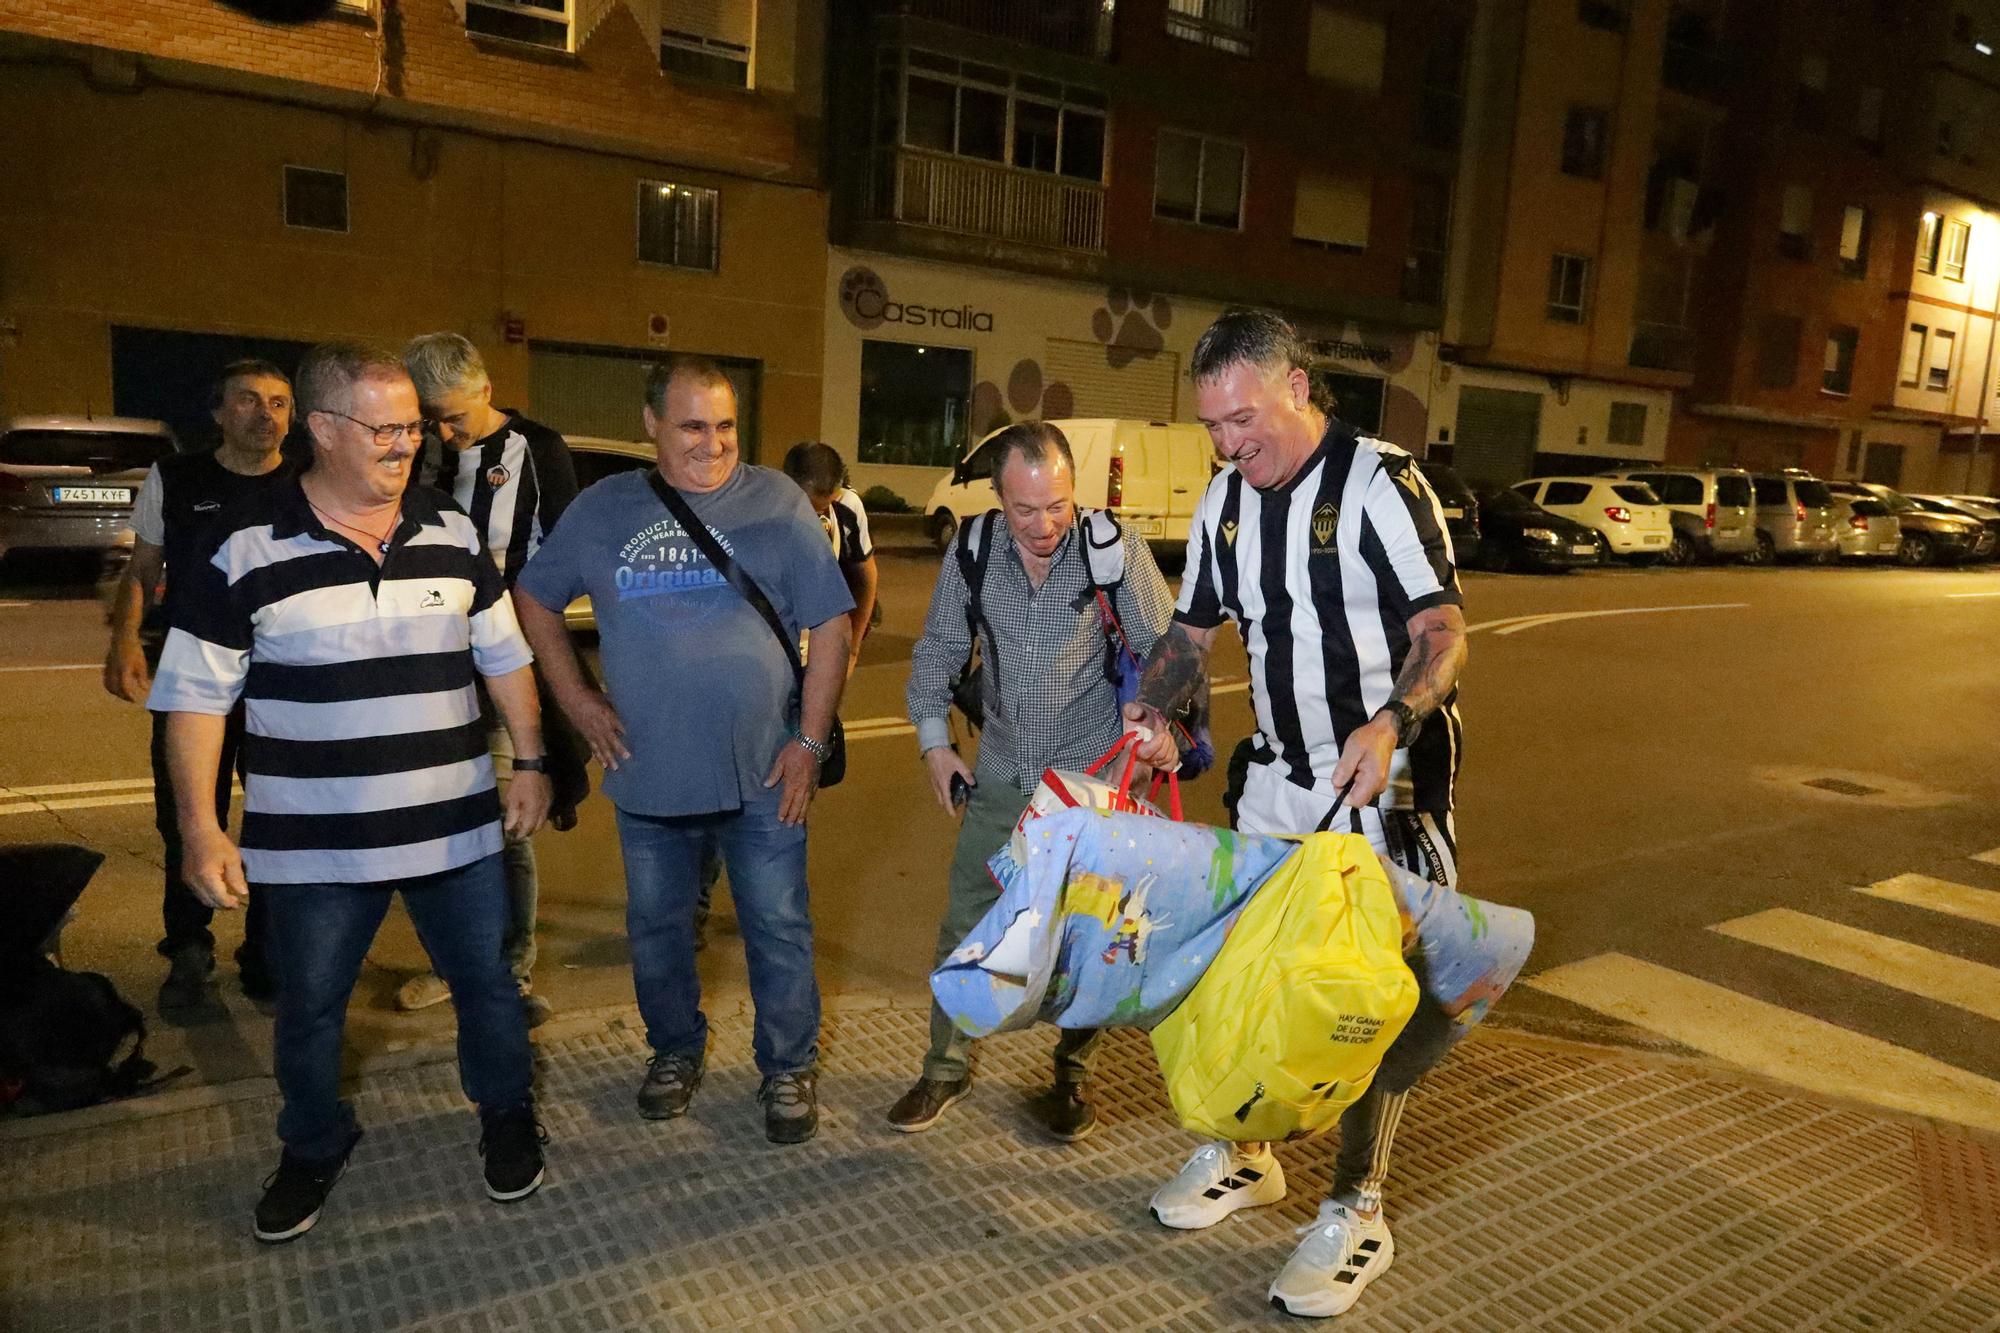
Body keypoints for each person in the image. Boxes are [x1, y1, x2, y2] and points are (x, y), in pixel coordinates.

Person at [148, 342, 551, 1242]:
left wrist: (530, 760)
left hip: (455, 832)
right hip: (315, 845)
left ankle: (506, 1114)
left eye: (412, 425)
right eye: (386, 427)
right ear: (324, 431)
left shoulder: (450, 531)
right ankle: (312, 1142)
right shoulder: (243, 545)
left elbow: (505, 655)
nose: (408, 443)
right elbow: (194, 699)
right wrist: (201, 828)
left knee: (486, 984)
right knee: (312, 1002)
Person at [1124, 309, 1468, 1319]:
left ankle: (1354, 1209)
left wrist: (1391, 720)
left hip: (1386, 779)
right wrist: (1155, 707)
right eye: (1212, 427)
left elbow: (1442, 631)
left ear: (1296, 389)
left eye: (1242, 418)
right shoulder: (1227, 503)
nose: (1228, 444)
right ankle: (1243, 1152)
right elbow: (1192, 630)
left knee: (1361, 996)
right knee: (1250, 973)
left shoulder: (1378, 484)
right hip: (1278, 778)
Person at [513, 357, 852, 1144]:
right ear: (652, 425)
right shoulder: (606, 509)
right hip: (648, 774)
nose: (713, 442)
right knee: (657, 927)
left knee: (777, 923)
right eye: (693, 425)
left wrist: (808, 738)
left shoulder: (776, 501)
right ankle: (673, 1049)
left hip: (767, 770)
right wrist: (577, 699)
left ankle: (788, 1066)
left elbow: (831, 624)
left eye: (726, 425)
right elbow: (533, 597)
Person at [896, 421, 1176, 1140]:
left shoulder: (1113, 551)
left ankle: (1072, 1078)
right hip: (1001, 776)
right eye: (1026, 509)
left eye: (1057, 504)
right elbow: (937, 655)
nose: (1045, 523)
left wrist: (1156, 728)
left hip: (1089, 783)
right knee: (967, 925)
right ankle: (944, 1068)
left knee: (1089, 938)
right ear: (998, 497)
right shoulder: (975, 549)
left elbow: (1168, 651)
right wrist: (935, 746)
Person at [399, 332, 584, 1027]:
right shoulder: (414, 446)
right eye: (430, 418)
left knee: (508, 819)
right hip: (425, 664)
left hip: (501, 659)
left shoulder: (536, 449)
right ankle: (454, 961)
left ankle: (512, 968)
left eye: (452, 416)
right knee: (435, 817)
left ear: (486, 386)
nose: (442, 432)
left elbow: (564, 558)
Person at [102, 359, 294, 1011]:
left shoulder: (310, 484)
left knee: (279, 819)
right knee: (186, 817)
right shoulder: (176, 478)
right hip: (197, 680)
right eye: (248, 400)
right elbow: (143, 566)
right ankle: (188, 949)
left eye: (278, 402)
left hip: (282, 683)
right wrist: (125, 637)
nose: (265, 414)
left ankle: (266, 954)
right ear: (217, 413)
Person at [781, 441, 878, 675]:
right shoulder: (766, 510)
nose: (813, 516)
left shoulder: (847, 510)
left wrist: (852, 648)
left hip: (823, 645)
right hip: (778, 648)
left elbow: (865, 577)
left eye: (821, 508)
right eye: (805, 506)